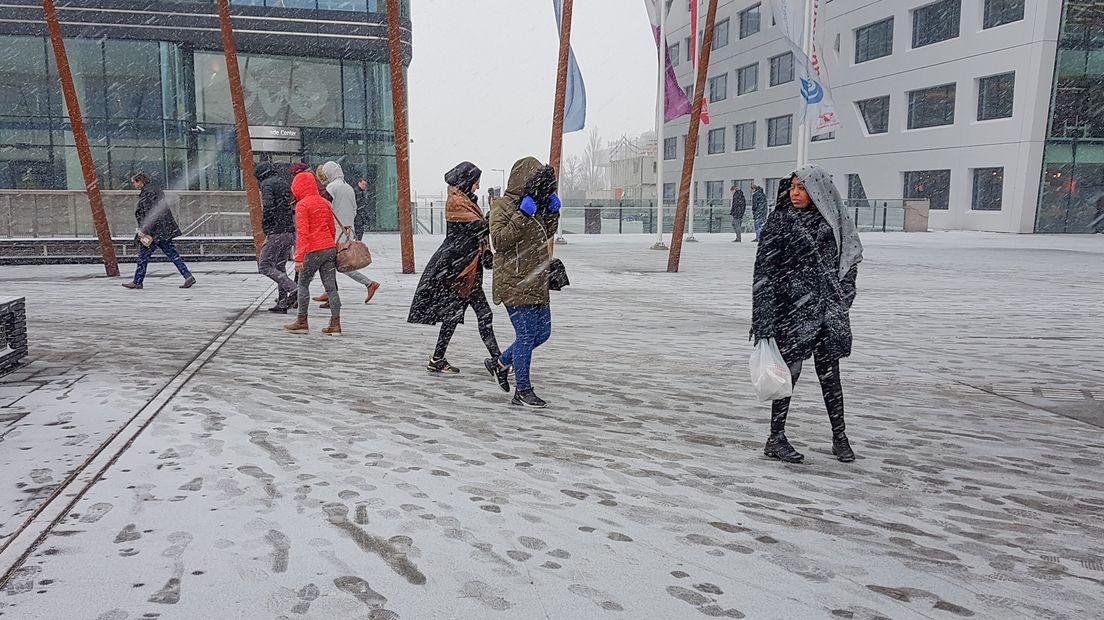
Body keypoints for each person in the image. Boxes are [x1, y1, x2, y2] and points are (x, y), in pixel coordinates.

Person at [751, 165, 863, 464]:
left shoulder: (835, 223)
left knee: (831, 377)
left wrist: (842, 299)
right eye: (793, 187)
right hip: (793, 311)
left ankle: (840, 436)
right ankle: (776, 437)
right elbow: (764, 272)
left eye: (803, 188)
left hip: (827, 312)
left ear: (820, 191)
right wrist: (764, 319)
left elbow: (849, 264)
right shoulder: (780, 222)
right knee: (787, 376)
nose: (796, 193)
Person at [408, 162, 502, 375]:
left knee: (455, 316)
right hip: (458, 270)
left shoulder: (467, 200)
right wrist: (496, 212)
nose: (478, 186)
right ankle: (499, 361)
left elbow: (478, 230)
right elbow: (477, 228)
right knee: (483, 315)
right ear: (468, 180)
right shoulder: (457, 203)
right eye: (476, 181)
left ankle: (438, 359)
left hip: (465, 268)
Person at [486, 157, 561, 408]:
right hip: (514, 281)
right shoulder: (502, 206)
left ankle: (500, 362)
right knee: (526, 335)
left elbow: (546, 233)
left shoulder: (536, 202)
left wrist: (552, 212)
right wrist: (521, 215)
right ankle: (523, 390)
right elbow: (499, 241)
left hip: (537, 278)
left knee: (543, 333)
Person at [315, 162, 380, 307]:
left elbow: (326, 208)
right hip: (348, 229)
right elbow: (355, 209)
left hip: (336, 231)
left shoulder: (331, 187)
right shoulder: (349, 187)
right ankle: (330, 292)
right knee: (336, 263)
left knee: (338, 264)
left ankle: (368, 284)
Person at [285, 172, 342, 335]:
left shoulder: (302, 205)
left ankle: (302, 322)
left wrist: (299, 258)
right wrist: (328, 244)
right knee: (331, 288)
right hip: (329, 248)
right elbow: (332, 228)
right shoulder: (324, 202)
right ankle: (335, 324)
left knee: (303, 285)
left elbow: (303, 233)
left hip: (312, 250)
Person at [122, 172, 195, 290]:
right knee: (172, 254)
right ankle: (187, 276)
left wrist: (145, 229)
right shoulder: (155, 190)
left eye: (134, 182)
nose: (134, 185)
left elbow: (150, 214)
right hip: (162, 230)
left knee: (143, 256)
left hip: (154, 231)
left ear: (140, 181)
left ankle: (137, 281)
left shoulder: (148, 193)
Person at [255, 162, 298, 313]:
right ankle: (282, 303)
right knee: (280, 266)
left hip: (277, 231)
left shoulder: (267, 184)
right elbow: (290, 204)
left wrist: (267, 227)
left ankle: (294, 289)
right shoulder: (283, 182)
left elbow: (268, 208)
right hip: (289, 231)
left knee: (265, 265)